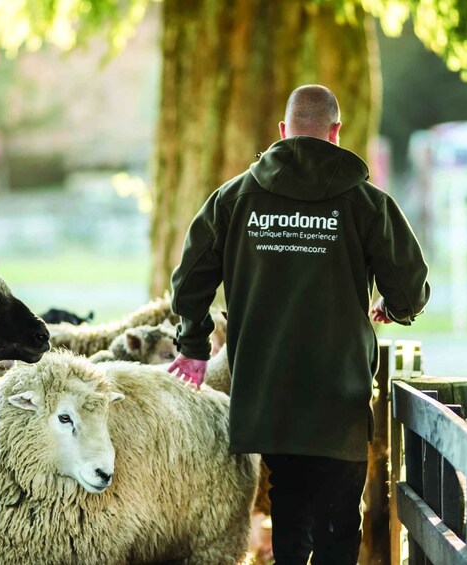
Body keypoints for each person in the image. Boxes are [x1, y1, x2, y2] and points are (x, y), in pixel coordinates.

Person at [168, 84, 430, 564]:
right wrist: (394, 310)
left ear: (284, 133)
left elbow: (189, 282)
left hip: (272, 396)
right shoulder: (367, 204)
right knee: (338, 523)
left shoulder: (233, 200)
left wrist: (193, 346)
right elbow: (410, 286)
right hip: (340, 398)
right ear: (335, 133)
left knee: (289, 514)